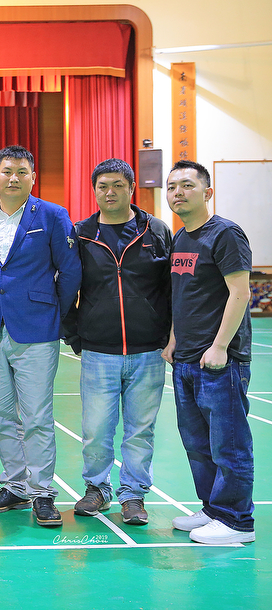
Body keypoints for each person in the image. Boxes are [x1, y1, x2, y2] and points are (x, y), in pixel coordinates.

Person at [0, 145, 81, 528]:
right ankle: (15, 486)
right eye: (6, 171)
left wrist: (53, 310)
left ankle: (42, 492)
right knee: (1, 416)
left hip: (37, 329)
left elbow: (70, 271)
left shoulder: (52, 215)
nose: (13, 178)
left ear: (33, 177)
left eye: (21, 171)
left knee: (36, 416)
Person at [62, 158, 172, 525]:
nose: (110, 192)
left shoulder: (156, 230)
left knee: (141, 431)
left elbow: (171, 288)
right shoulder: (81, 234)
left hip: (148, 351)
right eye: (103, 186)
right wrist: (75, 335)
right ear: (94, 190)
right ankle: (96, 488)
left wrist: (167, 335)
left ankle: (133, 495)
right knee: (96, 429)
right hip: (98, 351)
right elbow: (66, 287)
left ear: (132, 188)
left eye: (118, 185)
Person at [163, 160, 254, 545]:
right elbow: (181, 294)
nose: (178, 193)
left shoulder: (226, 234)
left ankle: (237, 521)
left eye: (187, 185)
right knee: (198, 444)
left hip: (220, 362)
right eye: (172, 187)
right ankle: (213, 509)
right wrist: (173, 339)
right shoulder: (180, 238)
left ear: (207, 192)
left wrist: (219, 346)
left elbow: (240, 292)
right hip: (185, 359)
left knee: (228, 444)